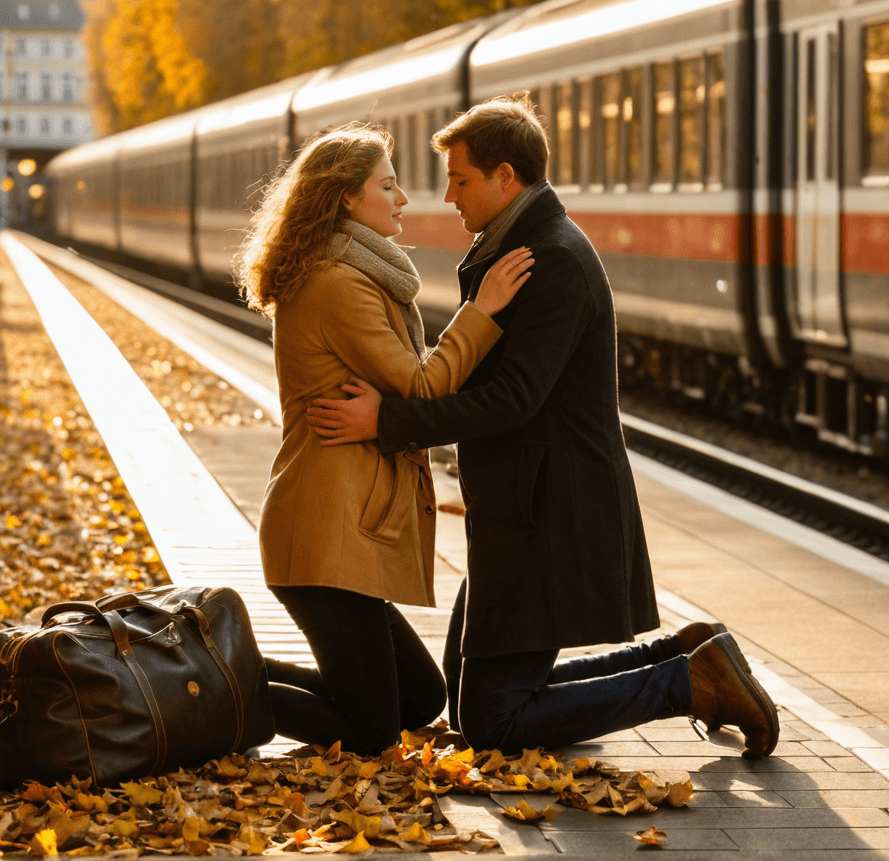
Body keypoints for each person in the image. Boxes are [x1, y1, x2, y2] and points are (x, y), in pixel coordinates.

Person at [307, 98, 780, 758]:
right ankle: (685, 656)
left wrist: (389, 420)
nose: (447, 196)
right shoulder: (516, 247)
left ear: (506, 178)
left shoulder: (548, 258)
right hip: (518, 509)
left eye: (461, 179)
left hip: (548, 513)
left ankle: (686, 683)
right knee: (476, 703)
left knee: (494, 723)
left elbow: (513, 399)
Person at [233, 126, 534, 755]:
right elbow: (423, 388)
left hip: (339, 531)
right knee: (371, 733)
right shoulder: (337, 283)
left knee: (419, 701)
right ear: (347, 198)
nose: (403, 199)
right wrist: (483, 310)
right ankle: (206, 691)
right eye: (388, 185)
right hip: (323, 537)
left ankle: (229, 676)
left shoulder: (352, 271)